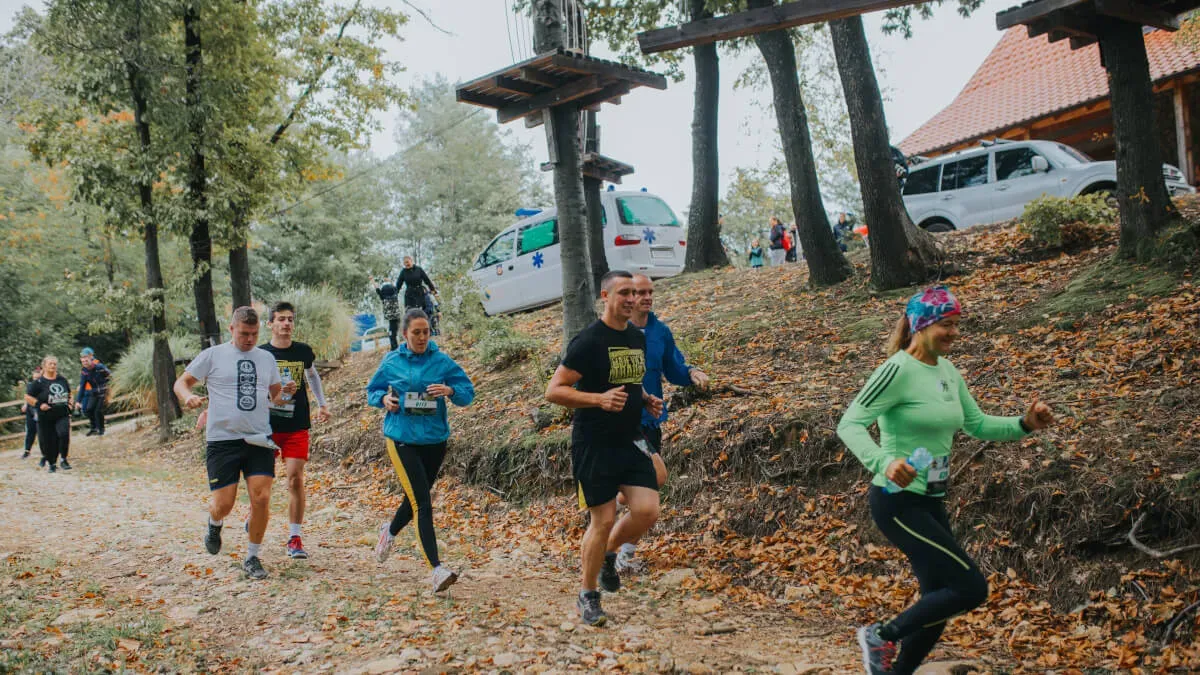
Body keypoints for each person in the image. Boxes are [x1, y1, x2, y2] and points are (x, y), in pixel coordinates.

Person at [836, 286, 1055, 674]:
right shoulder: (896, 371)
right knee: (971, 587)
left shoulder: (948, 371)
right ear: (921, 325)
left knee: (939, 596)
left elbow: (977, 424)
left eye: (957, 325)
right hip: (897, 498)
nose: (954, 333)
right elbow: (849, 423)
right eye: (946, 325)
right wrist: (884, 461)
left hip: (932, 498)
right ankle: (881, 635)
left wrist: (1024, 424)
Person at [545, 270, 664, 626]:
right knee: (604, 518)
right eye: (623, 292)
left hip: (629, 437)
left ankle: (610, 553)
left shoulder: (635, 338)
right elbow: (554, 391)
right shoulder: (589, 341)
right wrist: (598, 399)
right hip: (594, 443)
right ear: (606, 296)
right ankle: (588, 594)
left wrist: (644, 399)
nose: (631, 299)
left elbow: (627, 381)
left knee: (647, 510)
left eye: (634, 293)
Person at [174, 306, 287, 581]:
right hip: (222, 440)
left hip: (258, 438)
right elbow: (181, 383)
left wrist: (284, 394)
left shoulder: (266, 358)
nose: (249, 339)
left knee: (261, 497)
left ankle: (252, 556)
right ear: (231, 329)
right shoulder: (213, 356)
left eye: (254, 333)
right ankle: (215, 524)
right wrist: (188, 396)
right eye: (244, 333)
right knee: (224, 504)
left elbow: (275, 396)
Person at [369, 308, 474, 593]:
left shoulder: (441, 361)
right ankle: (437, 569)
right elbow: (372, 391)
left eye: (426, 331)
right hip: (401, 438)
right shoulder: (391, 361)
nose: (421, 337)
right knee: (422, 503)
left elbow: (467, 392)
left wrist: (450, 392)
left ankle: (388, 533)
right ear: (405, 334)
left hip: (434, 440)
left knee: (414, 499)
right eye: (416, 332)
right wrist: (384, 399)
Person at [616, 274, 709, 573]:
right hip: (622, 424)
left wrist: (692, 373)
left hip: (651, 422)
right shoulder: (617, 331)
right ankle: (611, 531)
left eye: (649, 292)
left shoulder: (660, 332)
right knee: (653, 478)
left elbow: (674, 368)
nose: (645, 297)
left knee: (647, 493)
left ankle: (623, 550)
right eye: (639, 292)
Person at [259, 301, 331, 560]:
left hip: (296, 424)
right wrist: (276, 396)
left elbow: (312, 375)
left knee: (295, 479)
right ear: (270, 324)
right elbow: (255, 393)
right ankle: (255, 513)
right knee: (262, 483)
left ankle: (294, 537)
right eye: (281, 319)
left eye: (290, 319)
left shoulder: (302, 351)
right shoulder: (260, 354)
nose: (286, 324)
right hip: (265, 425)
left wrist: (322, 404)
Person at [24, 356, 72, 472]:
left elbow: (69, 393)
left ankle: (64, 459)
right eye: (50, 364)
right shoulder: (38, 382)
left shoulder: (62, 380)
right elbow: (28, 397)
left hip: (62, 413)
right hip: (46, 416)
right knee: (49, 440)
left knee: (64, 434)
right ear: (44, 366)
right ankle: (52, 463)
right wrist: (39, 404)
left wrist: (70, 402)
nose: (53, 366)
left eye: (55, 364)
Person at [76, 347, 111, 436]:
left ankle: (101, 429)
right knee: (88, 410)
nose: (85, 363)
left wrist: (108, 387)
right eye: (83, 362)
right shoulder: (84, 371)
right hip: (94, 392)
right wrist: (78, 401)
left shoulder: (99, 367)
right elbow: (82, 386)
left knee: (98, 411)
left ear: (91, 359)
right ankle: (94, 428)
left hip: (103, 391)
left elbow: (110, 376)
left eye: (86, 361)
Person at [372, 275, 403, 351]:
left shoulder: (383, 296)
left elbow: (377, 288)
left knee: (392, 331)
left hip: (389, 317)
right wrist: (390, 281)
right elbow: (396, 287)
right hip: (396, 315)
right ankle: (394, 346)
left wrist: (372, 280)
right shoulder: (395, 294)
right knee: (394, 331)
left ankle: (394, 347)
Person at [20, 365, 42, 459]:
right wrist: (25, 404)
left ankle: (45, 451)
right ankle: (27, 451)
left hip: (39, 408)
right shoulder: (30, 385)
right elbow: (28, 395)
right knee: (30, 430)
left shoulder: (44, 385)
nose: (36, 379)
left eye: (38, 377)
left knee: (42, 431)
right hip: (31, 409)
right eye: (34, 377)